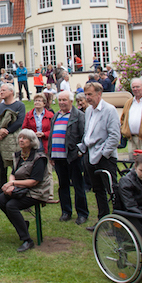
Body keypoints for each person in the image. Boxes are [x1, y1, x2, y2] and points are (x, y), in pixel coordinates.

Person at [0, 129, 52, 252]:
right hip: (20, 189)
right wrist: (10, 184)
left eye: (24, 138)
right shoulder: (19, 155)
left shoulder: (39, 157)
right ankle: (22, 224)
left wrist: (13, 183)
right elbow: (13, 173)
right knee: (0, 199)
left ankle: (27, 240)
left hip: (36, 191)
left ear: (31, 142)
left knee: (11, 205)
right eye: (20, 138)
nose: (21, 140)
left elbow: (34, 182)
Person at [80, 82, 121, 229]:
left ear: (99, 94)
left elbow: (115, 136)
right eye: (86, 95)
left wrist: (104, 154)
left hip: (105, 157)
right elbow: (88, 132)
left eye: (90, 94)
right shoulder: (89, 111)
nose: (87, 97)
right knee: (98, 190)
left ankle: (117, 224)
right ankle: (103, 220)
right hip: (90, 155)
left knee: (112, 190)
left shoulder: (109, 110)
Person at [49, 91, 88, 224]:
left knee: (78, 185)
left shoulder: (78, 116)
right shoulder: (56, 116)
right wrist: (50, 154)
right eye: (59, 100)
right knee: (63, 185)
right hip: (58, 157)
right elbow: (51, 137)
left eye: (64, 100)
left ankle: (82, 213)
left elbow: (84, 136)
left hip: (72, 156)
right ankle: (66, 211)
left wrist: (79, 152)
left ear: (71, 101)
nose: (61, 102)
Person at [0, 83, 27, 186]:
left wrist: (6, 131)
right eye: (0, 90)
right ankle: (2, 194)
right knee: (1, 169)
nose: (1, 92)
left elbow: (19, 122)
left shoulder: (20, 105)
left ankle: (16, 190)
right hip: (1, 141)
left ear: (11, 91)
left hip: (15, 141)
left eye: (4, 90)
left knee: (16, 167)